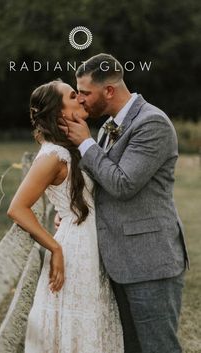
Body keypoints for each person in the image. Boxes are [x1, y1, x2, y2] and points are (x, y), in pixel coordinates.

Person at [59, 53, 189, 353]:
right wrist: (71, 211)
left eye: (86, 93)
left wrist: (85, 143)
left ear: (109, 91)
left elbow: (122, 184)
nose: (81, 100)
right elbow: (101, 184)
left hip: (150, 262)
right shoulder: (109, 126)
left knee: (158, 347)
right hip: (119, 259)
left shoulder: (151, 123)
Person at [7, 80, 124, 353]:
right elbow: (17, 208)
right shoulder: (53, 155)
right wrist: (55, 246)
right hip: (75, 248)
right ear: (60, 112)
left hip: (93, 243)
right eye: (73, 96)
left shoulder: (73, 148)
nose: (81, 99)